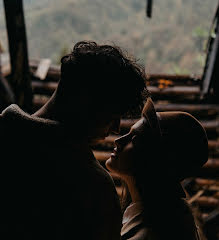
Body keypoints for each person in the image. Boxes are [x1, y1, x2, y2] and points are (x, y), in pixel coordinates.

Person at [0, 40, 148, 240]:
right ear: (85, 100)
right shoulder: (93, 188)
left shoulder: (7, 139)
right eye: (113, 115)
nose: (116, 127)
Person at [106, 98, 209, 240]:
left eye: (134, 139)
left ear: (153, 158)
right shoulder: (172, 214)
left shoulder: (147, 234)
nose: (118, 140)